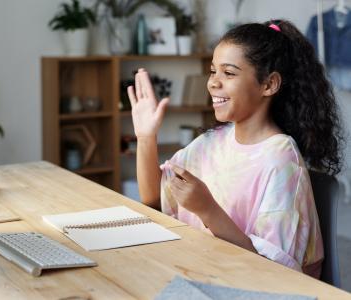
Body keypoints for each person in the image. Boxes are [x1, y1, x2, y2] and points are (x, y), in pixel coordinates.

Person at [127, 20, 343, 279]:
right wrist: (146, 137)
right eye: (212, 71)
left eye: (228, 73)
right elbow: (153, 201)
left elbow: (274, 274)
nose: (213, 83)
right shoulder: (210, 143)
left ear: (269, 84)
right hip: (202, 272)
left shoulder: (281, 161)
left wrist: (208, 210)